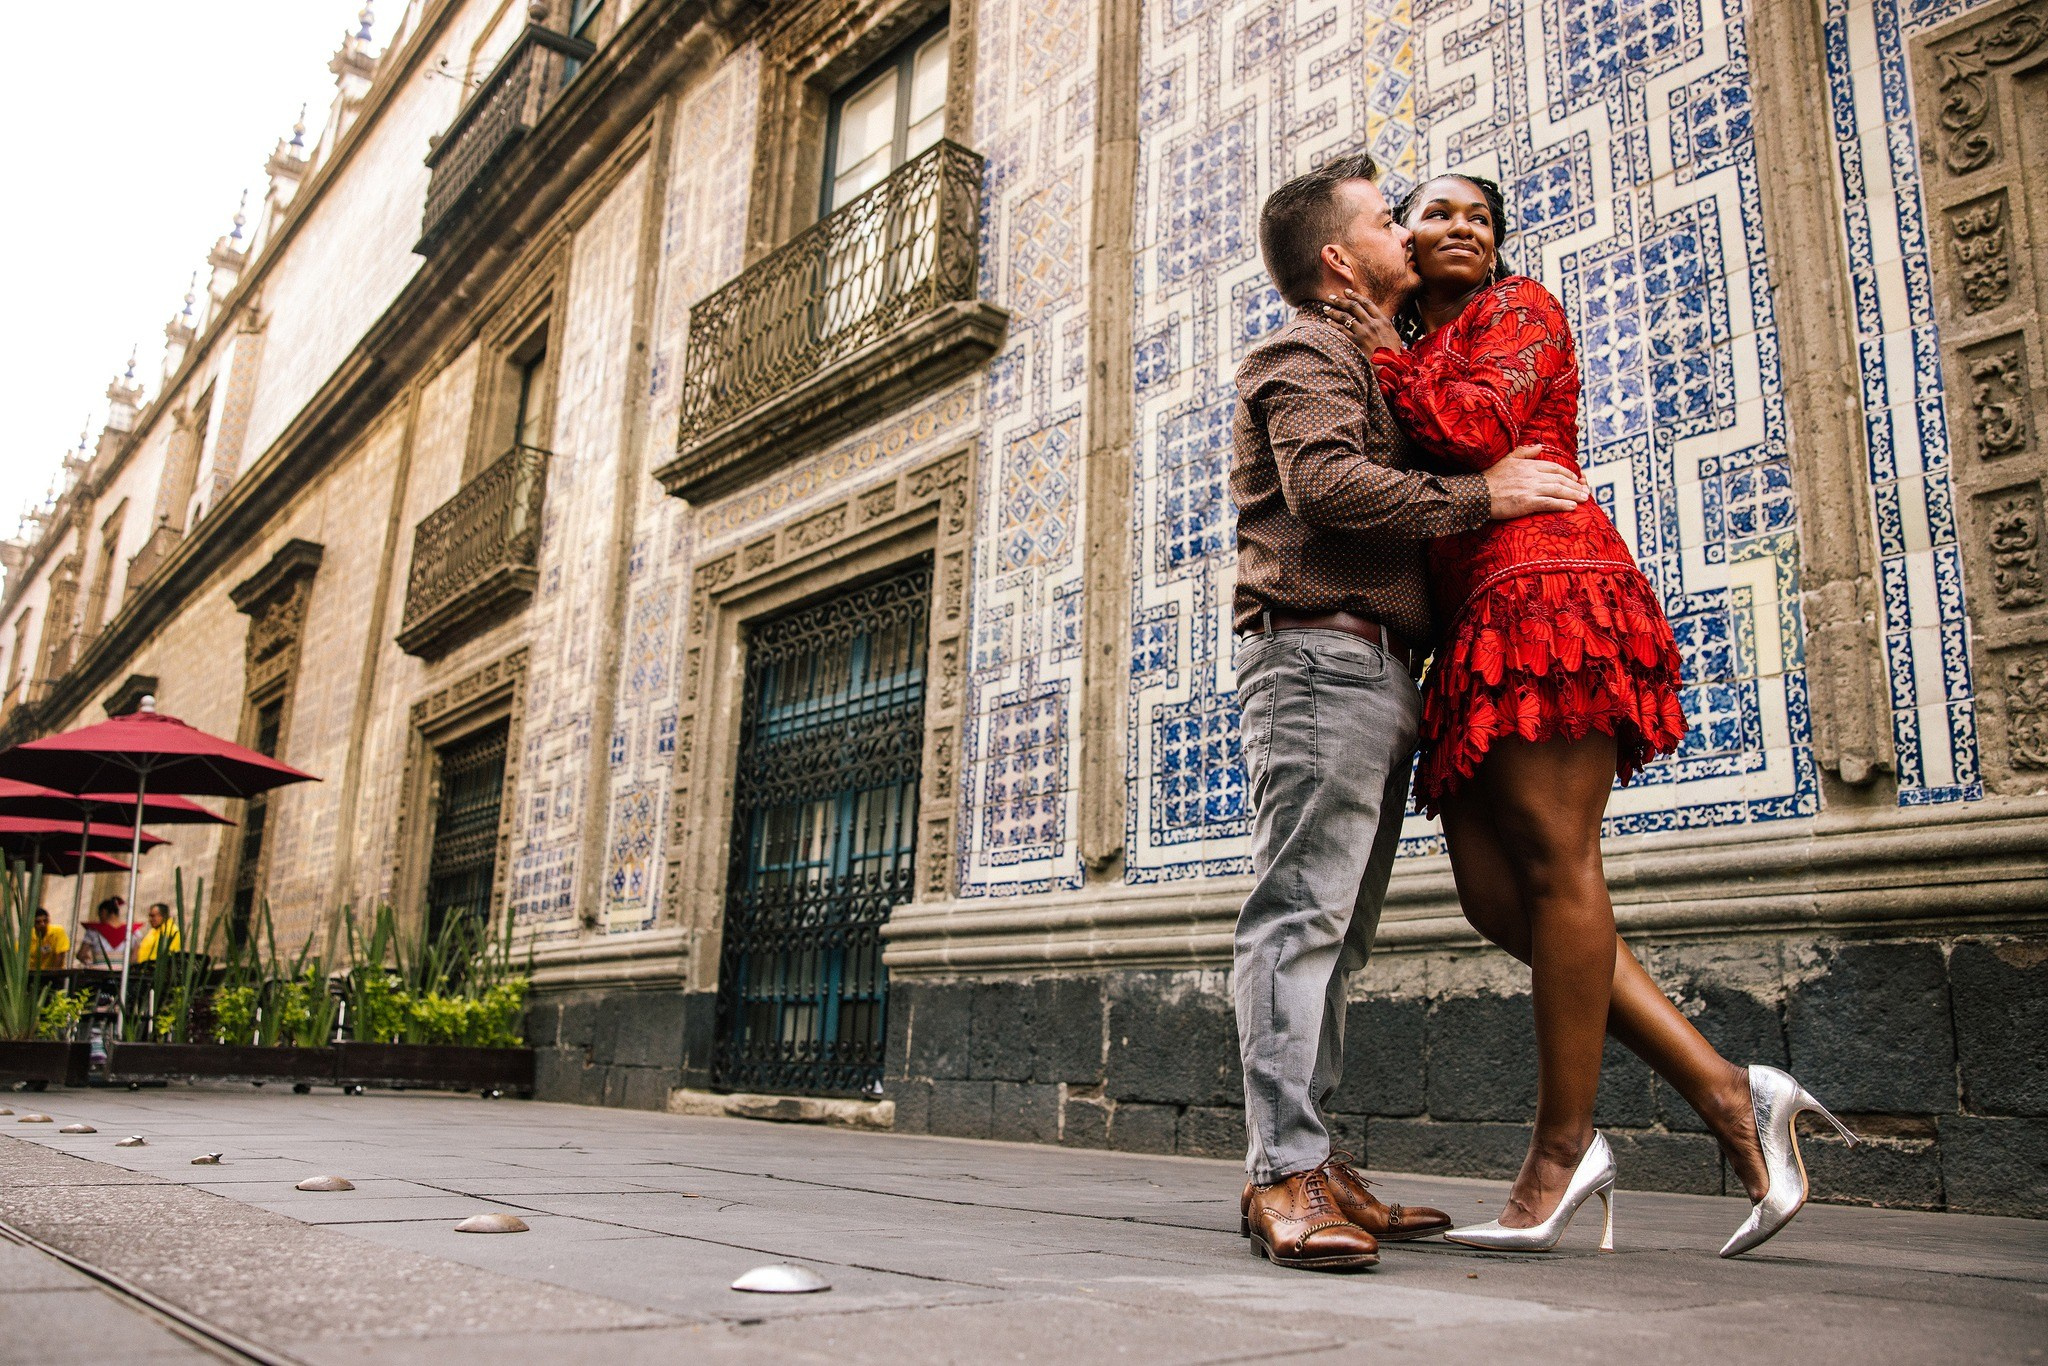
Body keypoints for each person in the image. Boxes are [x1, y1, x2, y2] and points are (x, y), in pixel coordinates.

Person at [1322, 172, 1859, 1257]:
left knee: (1562, 872)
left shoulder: (1517, 313)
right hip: (1472, 627)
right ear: (1399, 243)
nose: (1461, 225)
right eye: (1433, 213)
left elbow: (1471, 427)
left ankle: (1560, 1152)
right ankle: (1725, 1091)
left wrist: (1380, 347)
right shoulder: (1411, 343)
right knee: (1489, 893)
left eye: (1479, 214)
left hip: (1549, 595)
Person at [1228, 150, 1594, 1271]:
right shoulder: (1302, 348)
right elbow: (1327, 489)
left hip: (1374, 669)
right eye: (1389, 219)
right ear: (1340, 257)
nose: (1409, 233)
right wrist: (1484, 495)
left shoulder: (1374, 355)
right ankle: (1280, 1176)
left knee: (1336, 932)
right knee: (1298, 919)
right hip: (1320, 659)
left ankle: (1315, 1155)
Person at [78, 896, 130, 968]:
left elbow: (81, 954)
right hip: (122, 973)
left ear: (103, 912)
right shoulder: (131, 932)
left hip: (99, 973)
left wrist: (89, 963)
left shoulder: (93, 932)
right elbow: (135, 956)